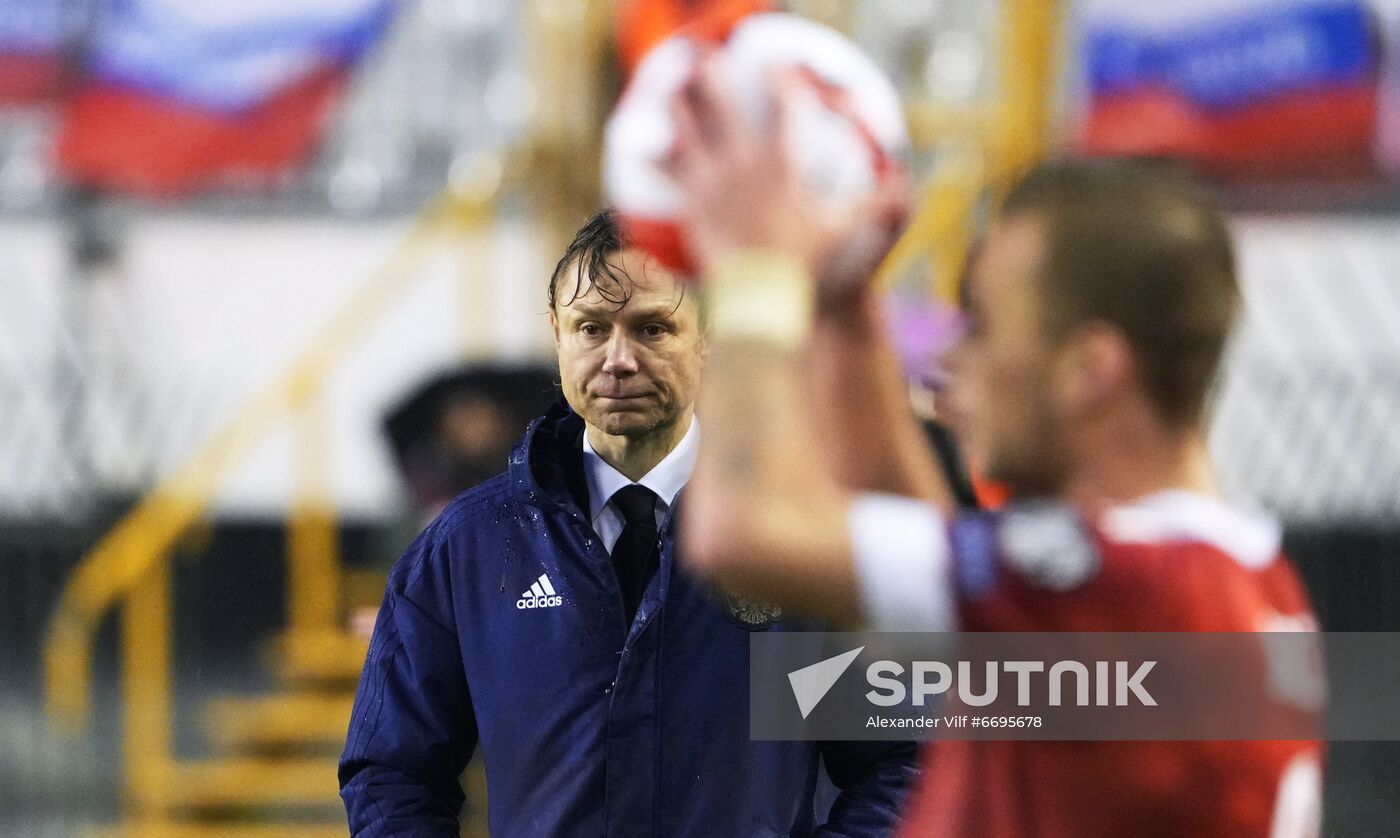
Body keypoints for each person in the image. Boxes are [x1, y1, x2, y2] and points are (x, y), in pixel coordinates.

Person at [665, 63, 1322, 837]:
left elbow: (742, 530)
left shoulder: (1132, 589)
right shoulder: (1208, 577)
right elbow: (918, 559)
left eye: (981, 326)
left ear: (1092, 371)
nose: (954, 360)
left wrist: (753, 271)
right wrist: (845, 301)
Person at [338, 209, 919, 837]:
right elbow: (391, 772)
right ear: (557, 334)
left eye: (652, 329)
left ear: (709, 336)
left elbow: (901, 763)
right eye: (592, 328)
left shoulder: (793, 546)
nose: (618, 359)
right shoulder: (469, 551)